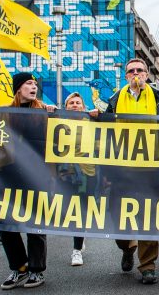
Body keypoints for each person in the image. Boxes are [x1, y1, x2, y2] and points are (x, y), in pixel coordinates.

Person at [104, 58, 159, 285]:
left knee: (148, 217)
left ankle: (148, 266)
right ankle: (127, 248)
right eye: (131, 71)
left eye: (140, 70)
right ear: (126, 76)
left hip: (151, 169)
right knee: (119, 218)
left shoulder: (158, 98)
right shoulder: (115, 99)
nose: (136, 74)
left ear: (147, 75)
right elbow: (103, 129)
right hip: (122, 169)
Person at [0, 72, 57, 289]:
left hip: (36, 175)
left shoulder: (44, 111)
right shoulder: (3, 113)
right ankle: (19, 268)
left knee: (35, 224)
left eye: (34, 84)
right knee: (6, 224)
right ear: (18, 88)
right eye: (28, 83)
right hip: (9, 175)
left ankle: (36, 270)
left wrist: (53, 115)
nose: (33, 87)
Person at [58, 92, 99, 267]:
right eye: (71, 103)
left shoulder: (91, 122)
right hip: (66, 173)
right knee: (70, 211)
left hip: (88, 174)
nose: (75, 105)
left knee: (82, 210)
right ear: (66, 107)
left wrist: (99, 116)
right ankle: (78, 243)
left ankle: (77, 246)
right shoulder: (58, 123)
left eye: (78, 102)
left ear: (83, 106)